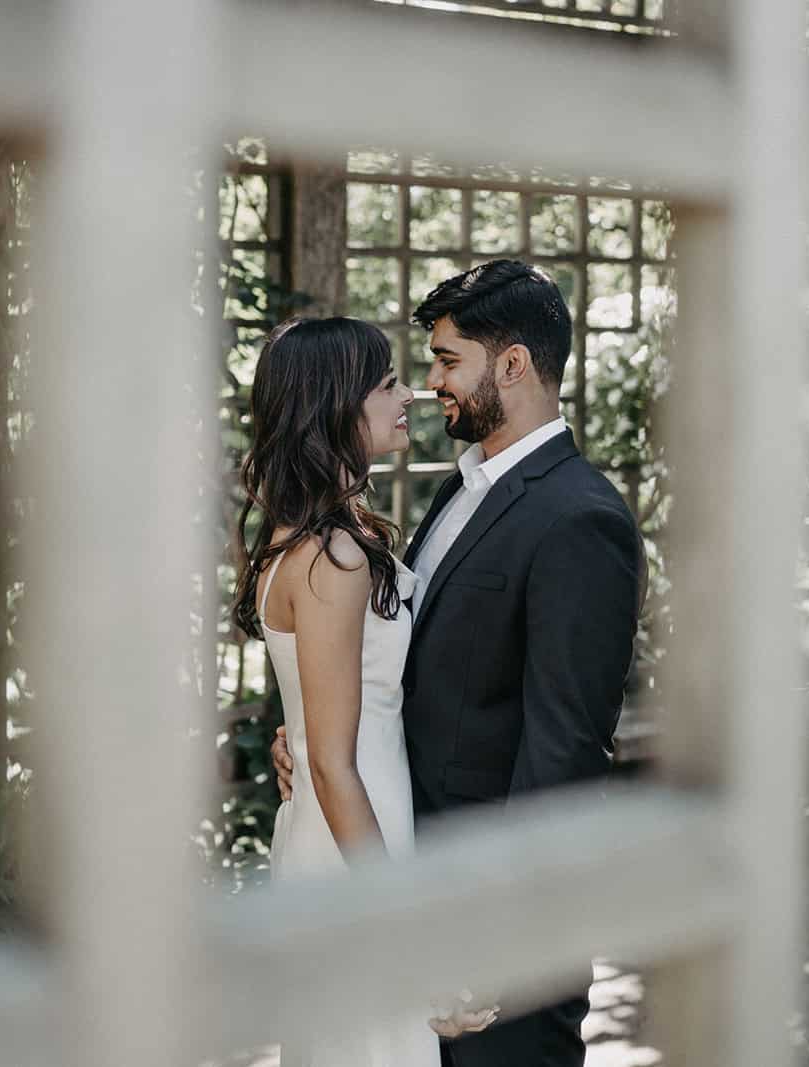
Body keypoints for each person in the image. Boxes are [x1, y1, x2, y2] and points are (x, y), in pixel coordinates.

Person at [271, 261, 647, 1067]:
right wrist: (310, 732)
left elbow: (565, 753)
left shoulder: (581, 519)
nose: (429, 384)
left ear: (512, 365)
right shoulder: (460, 489)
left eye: (447, 361)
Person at [232, 316, 489, 1067]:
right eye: (386, 384)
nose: (409, 392)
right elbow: (333, 762)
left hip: (340, 824)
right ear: (336, 408)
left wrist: (296, 737)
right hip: (353, 836)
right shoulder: (334, 554)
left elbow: (319, 724)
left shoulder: (312, 536)